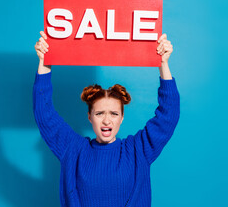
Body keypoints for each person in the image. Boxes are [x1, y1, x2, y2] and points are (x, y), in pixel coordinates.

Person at [33, 31, 180, 207]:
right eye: (99, 113)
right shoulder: (73, 150)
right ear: (89, 117)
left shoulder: (137, 150)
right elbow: (45, 114)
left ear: (122, 118)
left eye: (114, 113)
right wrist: (45, 62)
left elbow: (168, 115)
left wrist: (163, 63)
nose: (107, 121)